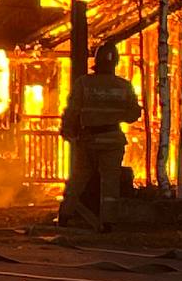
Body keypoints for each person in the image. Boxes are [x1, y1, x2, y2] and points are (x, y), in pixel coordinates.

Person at [59, 41, 142, 230]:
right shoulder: (124, 85)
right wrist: (115, 114)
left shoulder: (83, 83)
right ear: (115, 63)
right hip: (112, 139)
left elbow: (72, 110)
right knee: (110, 182)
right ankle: (108, 222)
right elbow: (133, 114)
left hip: (87, 140)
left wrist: (67, 130)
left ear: (95, 61)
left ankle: (65, 215)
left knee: (78, 177)